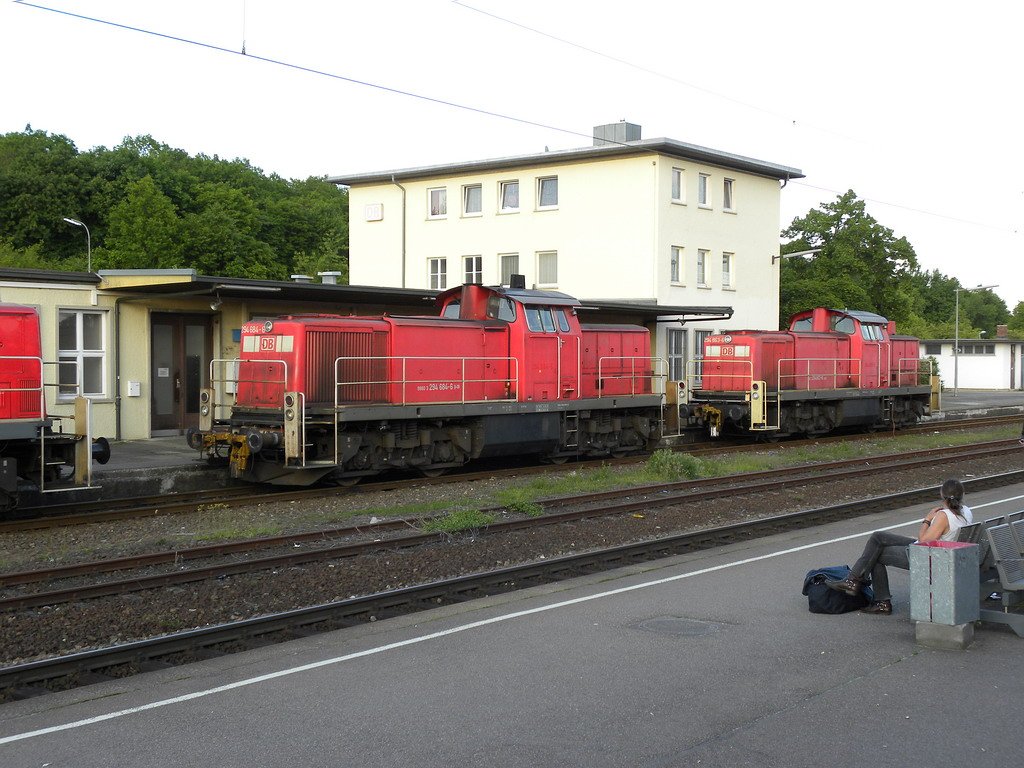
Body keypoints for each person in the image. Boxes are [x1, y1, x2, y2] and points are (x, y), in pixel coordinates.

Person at [825, 478, 974, 614]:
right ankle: (855, 581)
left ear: (942, 494)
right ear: (962, 495)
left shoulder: (943, 516)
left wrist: (927, 519)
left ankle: (870, 593)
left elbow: (923, 542)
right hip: (943, 553)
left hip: (930, 558)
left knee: (875, 553)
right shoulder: (966, 511)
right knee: (878, 537)